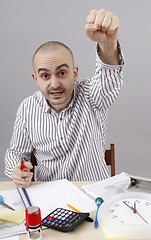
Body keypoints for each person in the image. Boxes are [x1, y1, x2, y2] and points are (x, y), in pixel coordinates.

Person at [4, 8, 124, 188]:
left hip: (93, 193)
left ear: (74, 74)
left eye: (62, 73)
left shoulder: (91, 94)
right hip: (50, 197)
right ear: (36, 80)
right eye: (45, 76)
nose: (54, 84)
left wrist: (108, 45)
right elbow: (15, 153)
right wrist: (17, 169)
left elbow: (108, 83)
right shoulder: (27, 108)